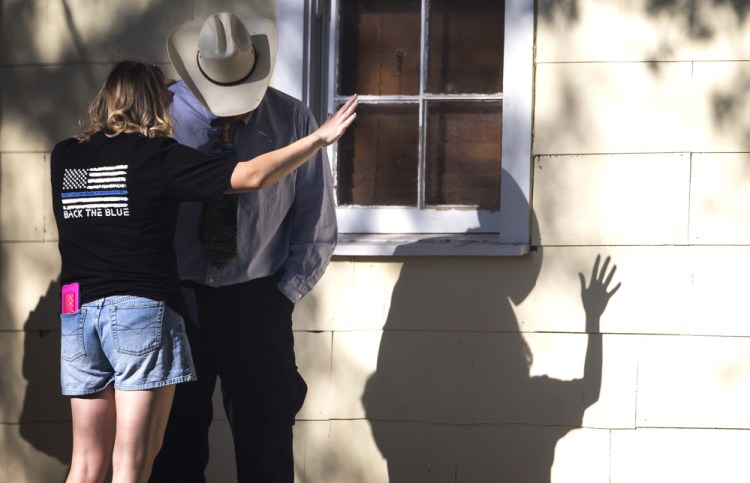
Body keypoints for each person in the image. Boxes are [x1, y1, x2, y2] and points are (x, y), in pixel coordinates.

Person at [51, 60, 357, 483]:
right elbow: (249, 176)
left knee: (85, 463)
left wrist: (279, 296)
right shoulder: (157, 156)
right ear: (161, 102)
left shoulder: (64, 156)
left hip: (79, 312)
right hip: (150, 309)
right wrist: (320, 139)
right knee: (137, 462)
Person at [150, 12, 339, 483]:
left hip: (257, 300)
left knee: (266, 445)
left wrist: (281, 297)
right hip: (176, 301)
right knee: (173, 447)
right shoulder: (160, 118)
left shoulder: (292, 118)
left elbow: (315, 220)